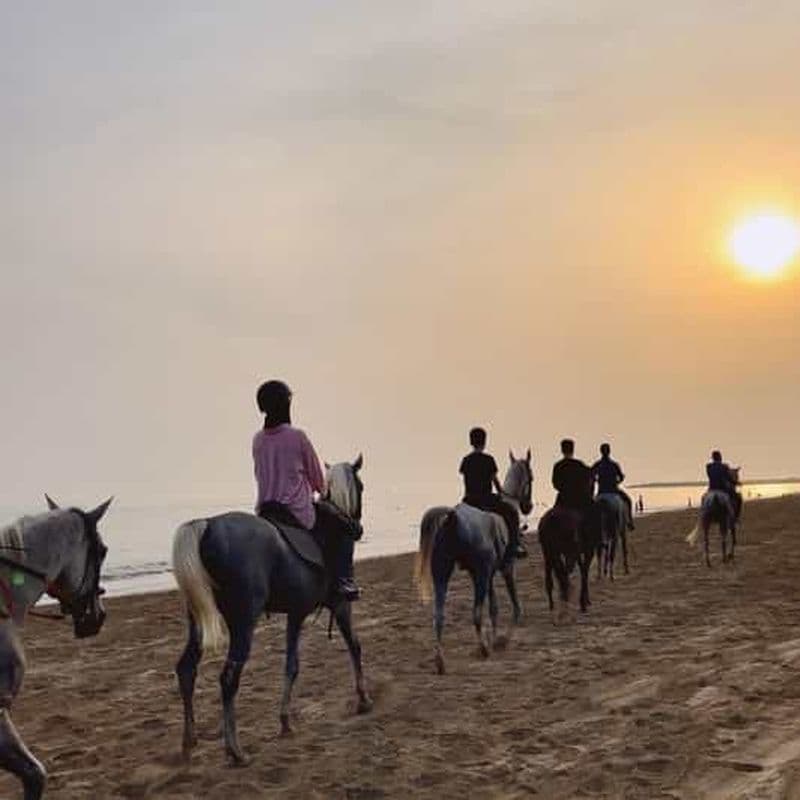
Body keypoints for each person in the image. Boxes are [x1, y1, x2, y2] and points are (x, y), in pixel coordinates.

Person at [252, 379, 360, 601]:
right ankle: (343, 581)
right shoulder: (298, 437)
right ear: (285, 405)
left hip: (265, 511)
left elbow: (260, 474)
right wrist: (320, 493)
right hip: (296, 510)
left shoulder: (258, 439)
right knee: (345, 528)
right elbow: (318, 480)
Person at [459, 427, 527, 560]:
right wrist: (502, 493)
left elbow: (465, 480)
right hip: (486, 499)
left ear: (471, 442)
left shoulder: (466, 460)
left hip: (469, 500)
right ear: (484, 442)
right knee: (512, 513)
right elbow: (495, 482)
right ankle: (515, 545)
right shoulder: (489, 459)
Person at [591, 443, 635, 530]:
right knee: (628, 500)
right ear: (609, 452)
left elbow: (591, 476)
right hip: (614, 491)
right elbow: (621, 477)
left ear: (601, 452)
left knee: (591, 509)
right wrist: (618, 481)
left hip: (601, 492)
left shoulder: (597, 464)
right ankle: (629, 522)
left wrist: (596, 480)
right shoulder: (614, 464)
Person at [552, 439, 594, 514]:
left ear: (562, 450)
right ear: (573, 450)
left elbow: (555, 484)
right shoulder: (580, 464)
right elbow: (587, 480)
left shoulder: (558, 465)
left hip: (563, 499)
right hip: (579, 499)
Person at [706, 450, 742, 520]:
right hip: (722, 489)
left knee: (704, 499)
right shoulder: (724, 467)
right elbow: (728, 478)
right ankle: (735, 517)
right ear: (720, 457)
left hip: (711, 490)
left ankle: (704, 517)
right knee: (738, 498)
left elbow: (711, 476)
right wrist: (736, 483)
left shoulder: (708, 466)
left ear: (712, 458)